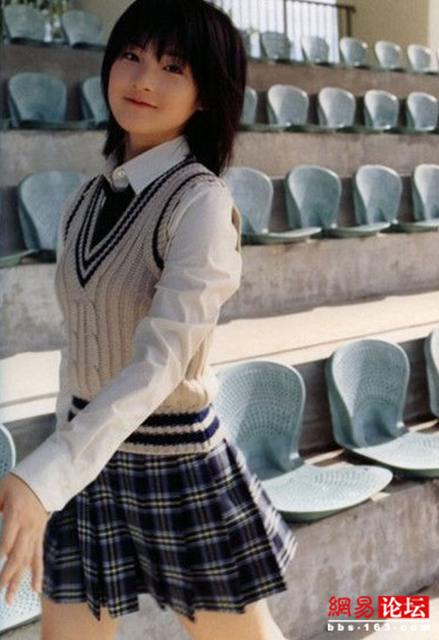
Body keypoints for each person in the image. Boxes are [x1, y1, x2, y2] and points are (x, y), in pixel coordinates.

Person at [0, 1, 296, 639]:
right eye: (132, 56)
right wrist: (57, 462)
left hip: (174, 461)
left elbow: (160, 362)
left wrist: (45, 473)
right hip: (84, 460)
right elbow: (78, 349)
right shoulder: (86, 198)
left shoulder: (202, 205)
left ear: (206, 95)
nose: (142, 80)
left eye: (172, 67)